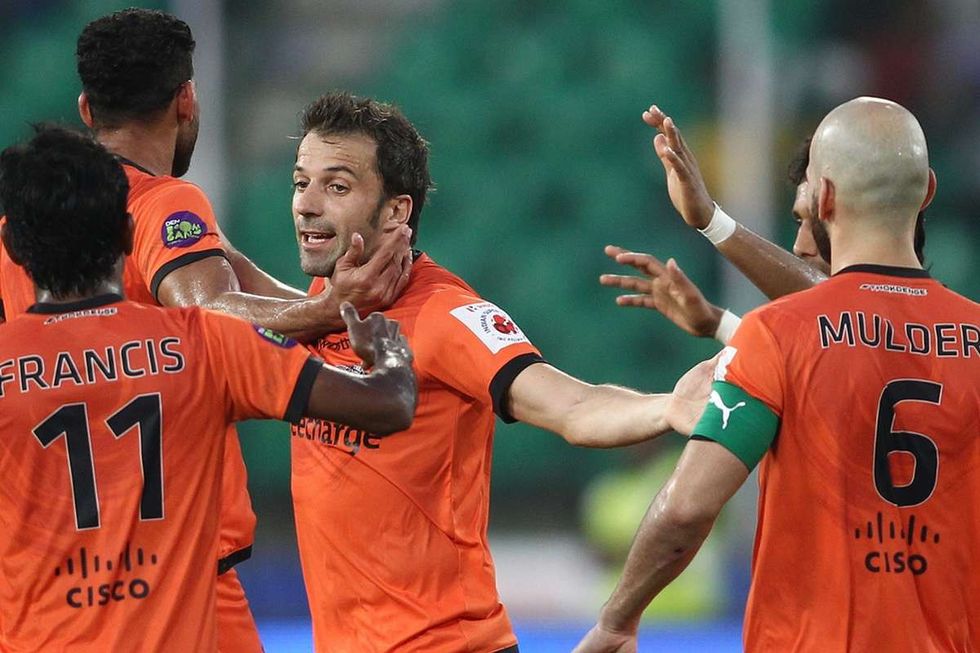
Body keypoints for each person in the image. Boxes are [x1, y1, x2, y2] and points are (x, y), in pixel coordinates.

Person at [0, 10, 410, 650]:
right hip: (179, 571)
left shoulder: (20, 228)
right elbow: (214, 309)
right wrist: (338, 316)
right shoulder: (160, 202)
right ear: (186, 98)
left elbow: (231, 280)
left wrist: (332, 302)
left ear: (86, 106)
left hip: (43, 581)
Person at [286, 92, 717, 653]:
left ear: (396, 211)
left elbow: (572, 406)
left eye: (336, 186)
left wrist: (664, 407)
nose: (307, 204)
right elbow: (210, 295)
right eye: (301, 183)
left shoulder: (446, 315)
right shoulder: (319, 301)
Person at [574, 97, 980, 652]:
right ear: (928, 190)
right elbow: (869, 328)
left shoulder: (778, 334)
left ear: (825, 197)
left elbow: (688, 507)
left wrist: (617, 620)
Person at [601, 110, 927, 345]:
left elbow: (851, 322)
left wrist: (713, 222)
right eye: (798, 222)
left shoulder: (860, 332)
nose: (799, 247)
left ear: (826, 198)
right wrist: (719, 324)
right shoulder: (964, 334)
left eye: (815, 218)